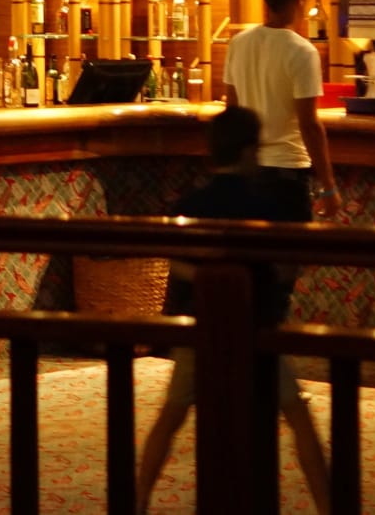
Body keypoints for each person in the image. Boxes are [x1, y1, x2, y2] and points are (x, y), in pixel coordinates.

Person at [134, 104, 330, 515]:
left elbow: (174, 263)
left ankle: (137, 500)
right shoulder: (267, 205)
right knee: (298, 416)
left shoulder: (190, 204)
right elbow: (285, 269)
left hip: (201, 327)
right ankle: (330, 505)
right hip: (255, 328)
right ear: (248, 151)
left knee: (171, 415)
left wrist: (209, 275)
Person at [222, 0, 341, 223]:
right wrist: (329, 186)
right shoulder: (302, 52)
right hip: (287, 175)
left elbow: (232, 111)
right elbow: (309, 125)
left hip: (248, 171)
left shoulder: (238, 43)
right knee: (289, 247)